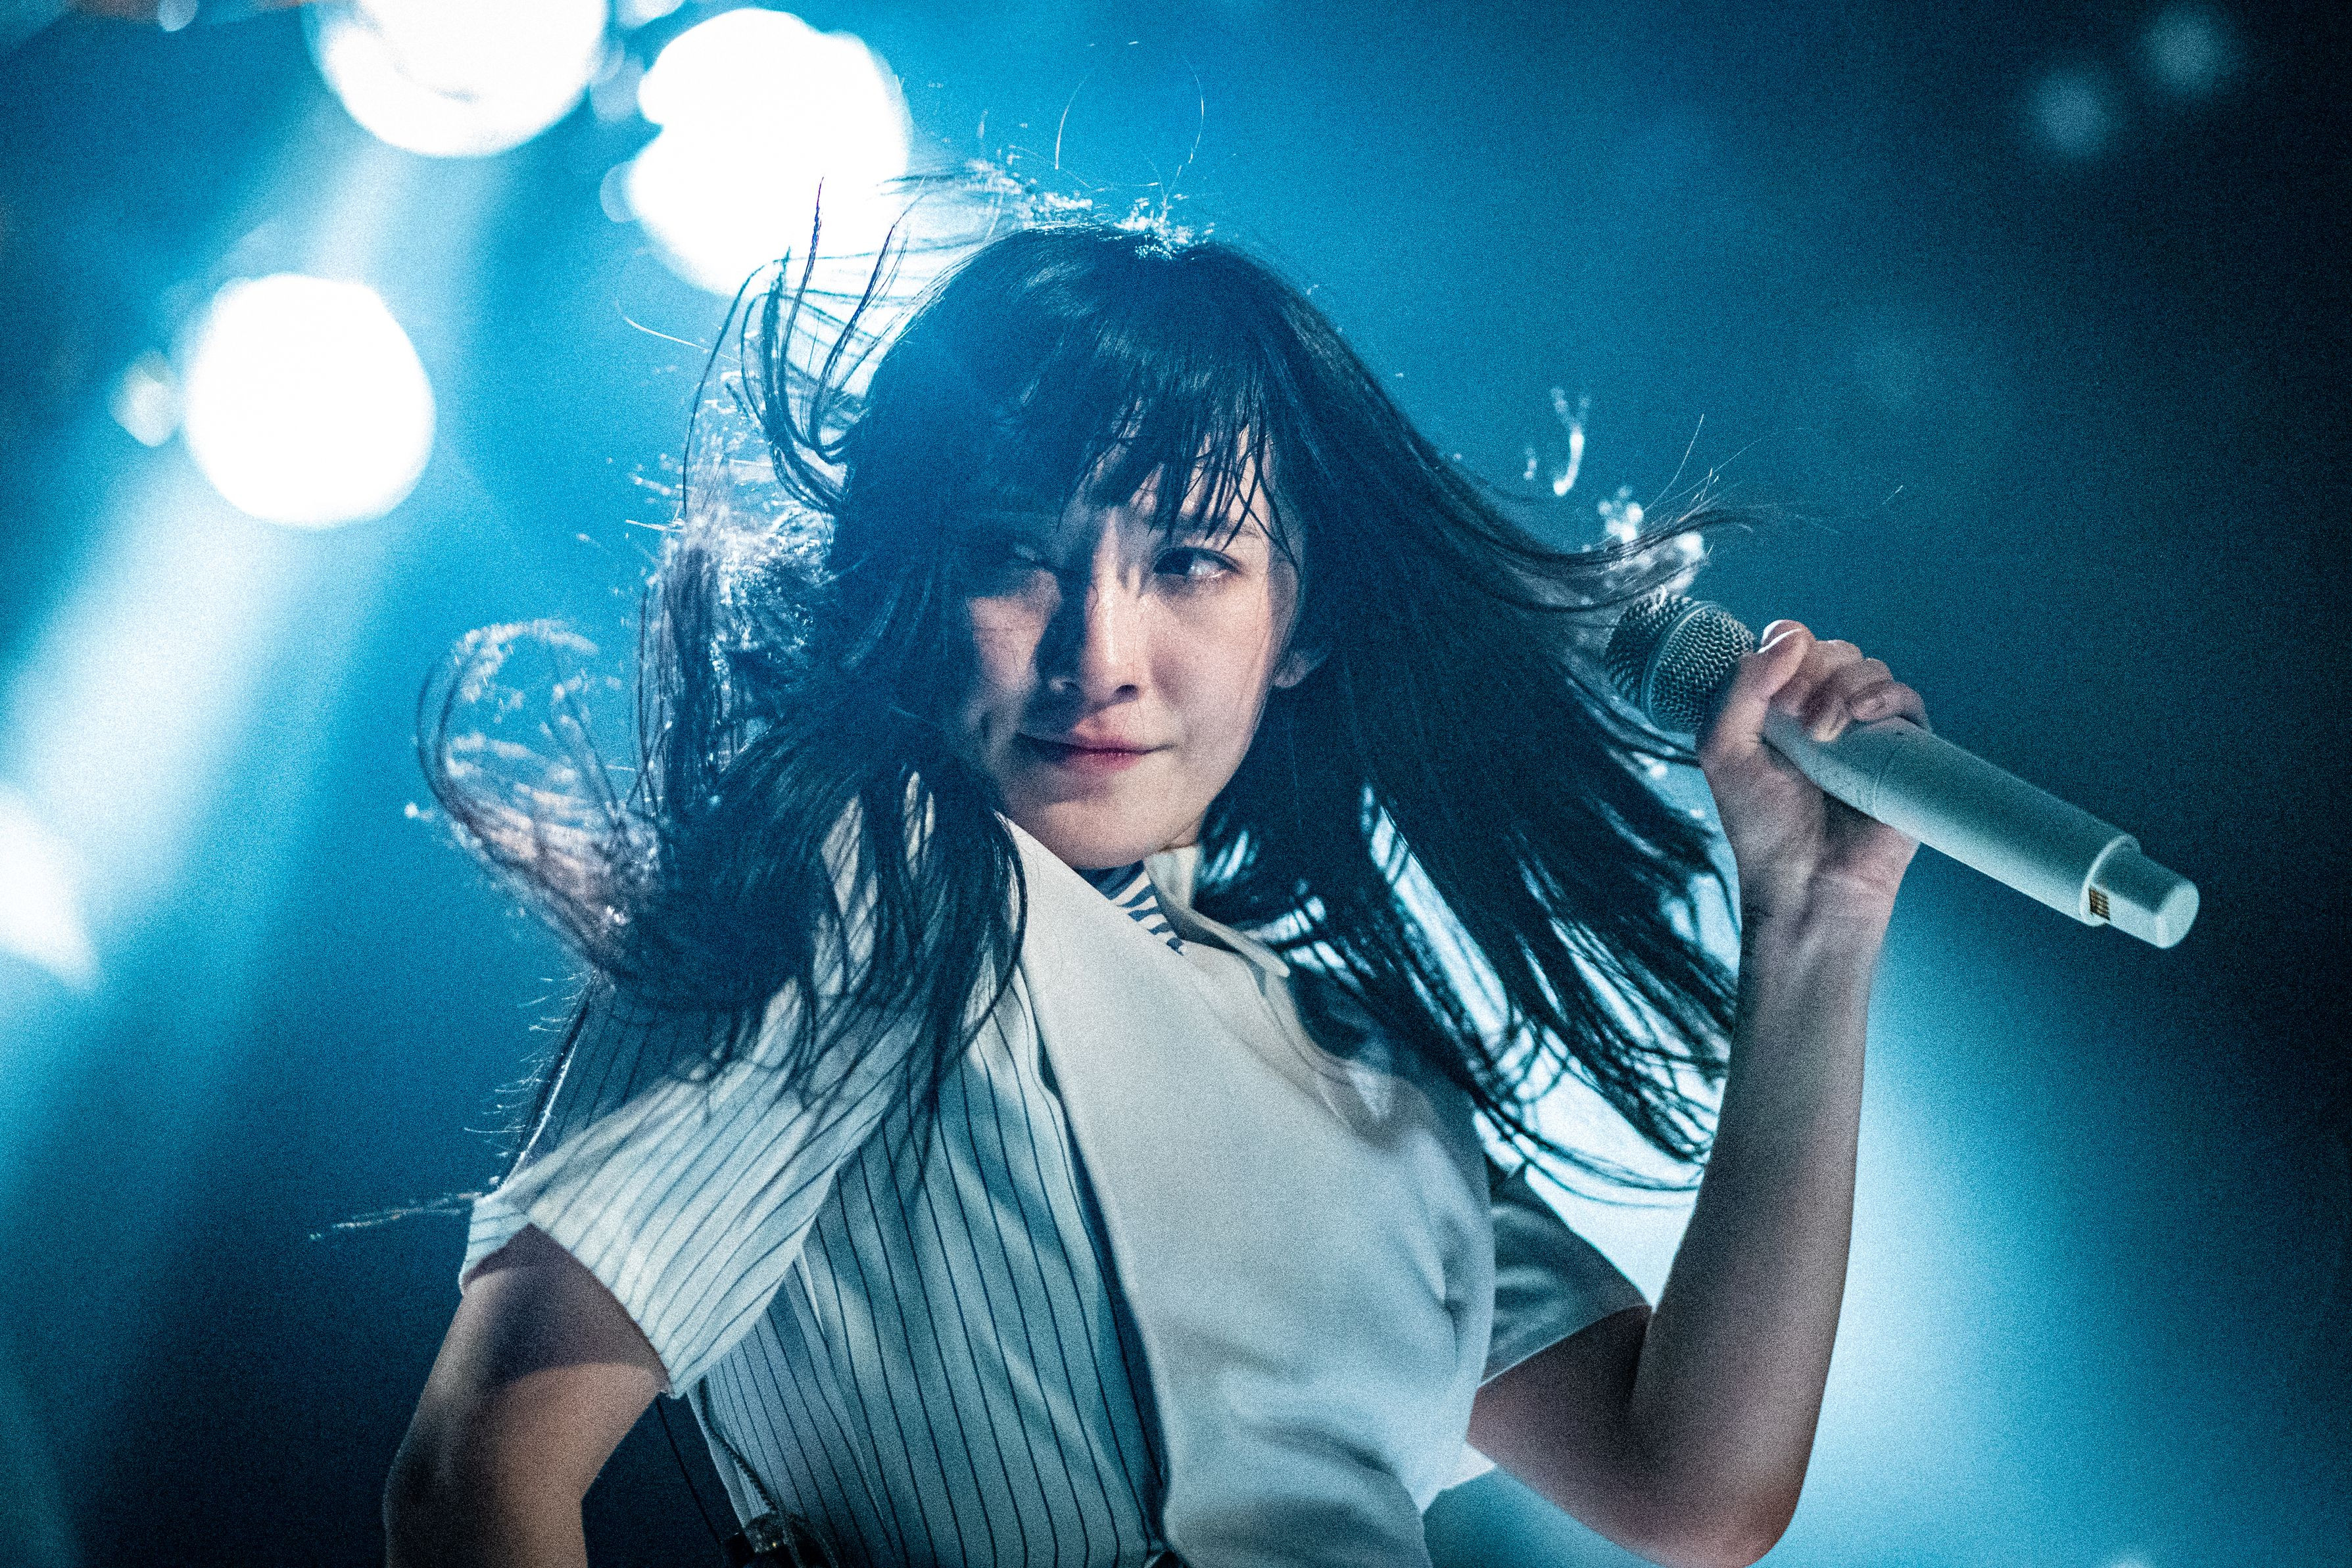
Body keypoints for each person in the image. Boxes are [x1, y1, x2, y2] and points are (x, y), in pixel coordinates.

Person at [383, 222, 1927, 1568]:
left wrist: (1814, 920)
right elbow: (480, 1471)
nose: (1097, 653)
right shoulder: (868, 884)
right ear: (912, 583)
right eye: (1014, 554)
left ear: (1298, 622)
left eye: (1189, 561)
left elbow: (1694, 1489)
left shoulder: (1354, 1066)